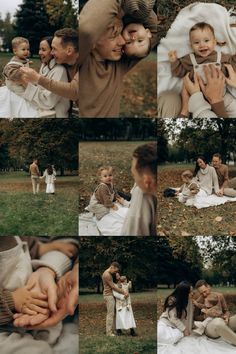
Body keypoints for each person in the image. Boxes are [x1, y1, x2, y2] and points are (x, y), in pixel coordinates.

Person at [79, 0, 157, 117]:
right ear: (94, 41)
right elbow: (88, 29)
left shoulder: (120, 63)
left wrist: (130, 12)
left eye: (121, 33)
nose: (122, 41)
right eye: (114, 35)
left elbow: (156, 28)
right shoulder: (81, 60)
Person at [0, 236, 78, 353]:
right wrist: (11, 300)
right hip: (3, 329)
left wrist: (46, 247)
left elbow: (29, 245)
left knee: (61, 336)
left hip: (32, 311)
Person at [168, 21, 236, 120]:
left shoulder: (222, 57)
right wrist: (174, 61)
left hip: (223, 95)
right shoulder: (189, 59)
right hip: (198, 97)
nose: (202, 45)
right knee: (197, 113)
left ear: (214, 42)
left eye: (206, 40)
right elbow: (179, 72)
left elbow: (233, 65)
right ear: (191, 46)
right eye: (196, 42)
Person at [20, 28, 79, 108]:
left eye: (54, 49)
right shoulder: (65, 64)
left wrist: (38, 78)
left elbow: (74, 92)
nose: (51, 52)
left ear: (69, 51)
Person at [120, 142, 157, 235]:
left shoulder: (142, 193)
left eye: (134, 175)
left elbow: (132, 231)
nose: (134, 179)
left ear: (147, 181)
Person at [194, 280, 236, 346]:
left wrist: (226, 318)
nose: (204, 294)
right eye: (201, 293)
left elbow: (226, 311)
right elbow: (195, 317)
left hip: (222, 322)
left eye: (205, 291)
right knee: (218, 322)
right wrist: (205, 316)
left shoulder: (219, 296)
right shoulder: (199, 300)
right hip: (210, 327)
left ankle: (226, 331)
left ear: (208, 287)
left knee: (222, 321)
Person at [102, 262, 128, 337]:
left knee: (115, 313)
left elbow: (113, 285)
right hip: (108, 296)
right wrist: (123, 292)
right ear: (112, 267)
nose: (116, 272)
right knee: (110, 314)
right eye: (115, 271)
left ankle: (117, 330)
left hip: (112, 295)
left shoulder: (109, 273)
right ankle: (108, 332)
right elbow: (113, 287)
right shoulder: (107, 275)